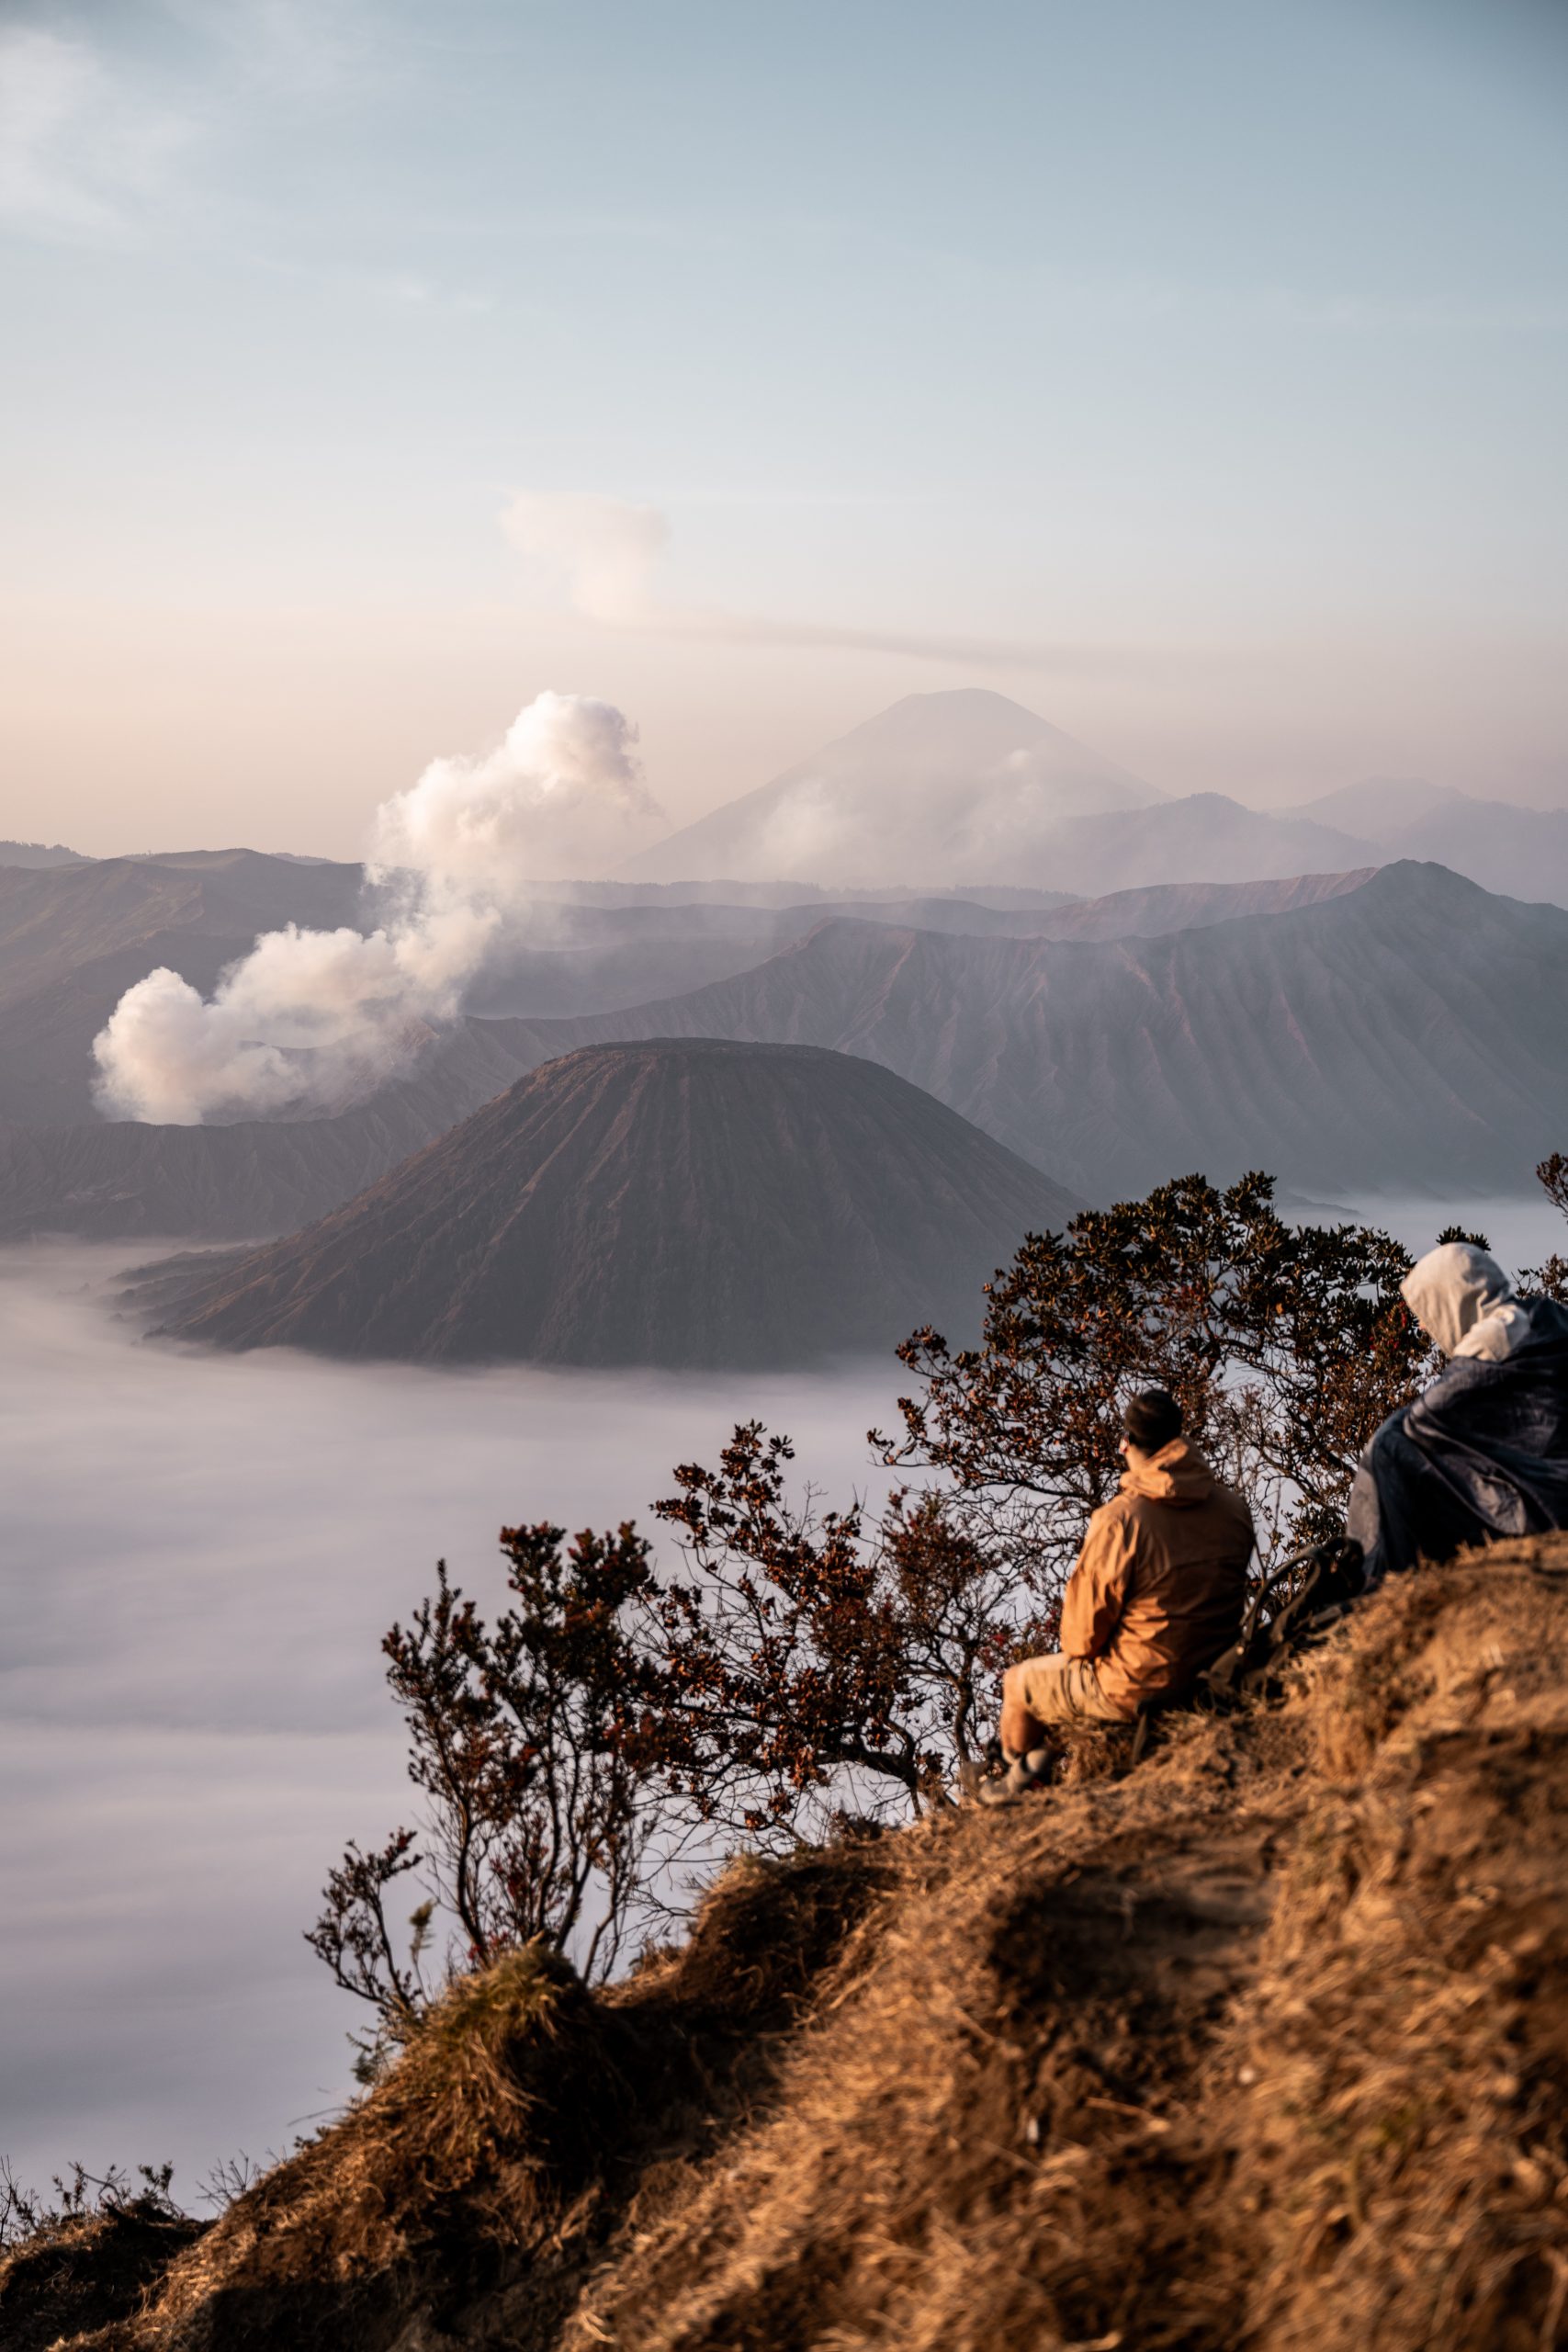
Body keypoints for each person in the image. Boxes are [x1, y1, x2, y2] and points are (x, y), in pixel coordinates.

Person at [971, 1387, 1255, 1804]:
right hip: (1215, 1672)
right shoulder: (1233, 1508)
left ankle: (1013, 1788)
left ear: (1127, 1443)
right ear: (1179, 1439)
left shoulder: (1121, 1521)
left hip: (1137, 1689)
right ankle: (1033, 1770)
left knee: (1020, 1683)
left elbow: (1080, 1642)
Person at [1348, 1241, 1568, 1584]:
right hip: (1552, 1485)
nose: (1423, 1326)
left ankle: (1376, 1581)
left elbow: (1420, 1423)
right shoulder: (1543, 1314)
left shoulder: (1493, 1340)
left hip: (1540, 1506)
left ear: (1451, 1300)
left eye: (1427, 1311)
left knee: (1389, 1447)